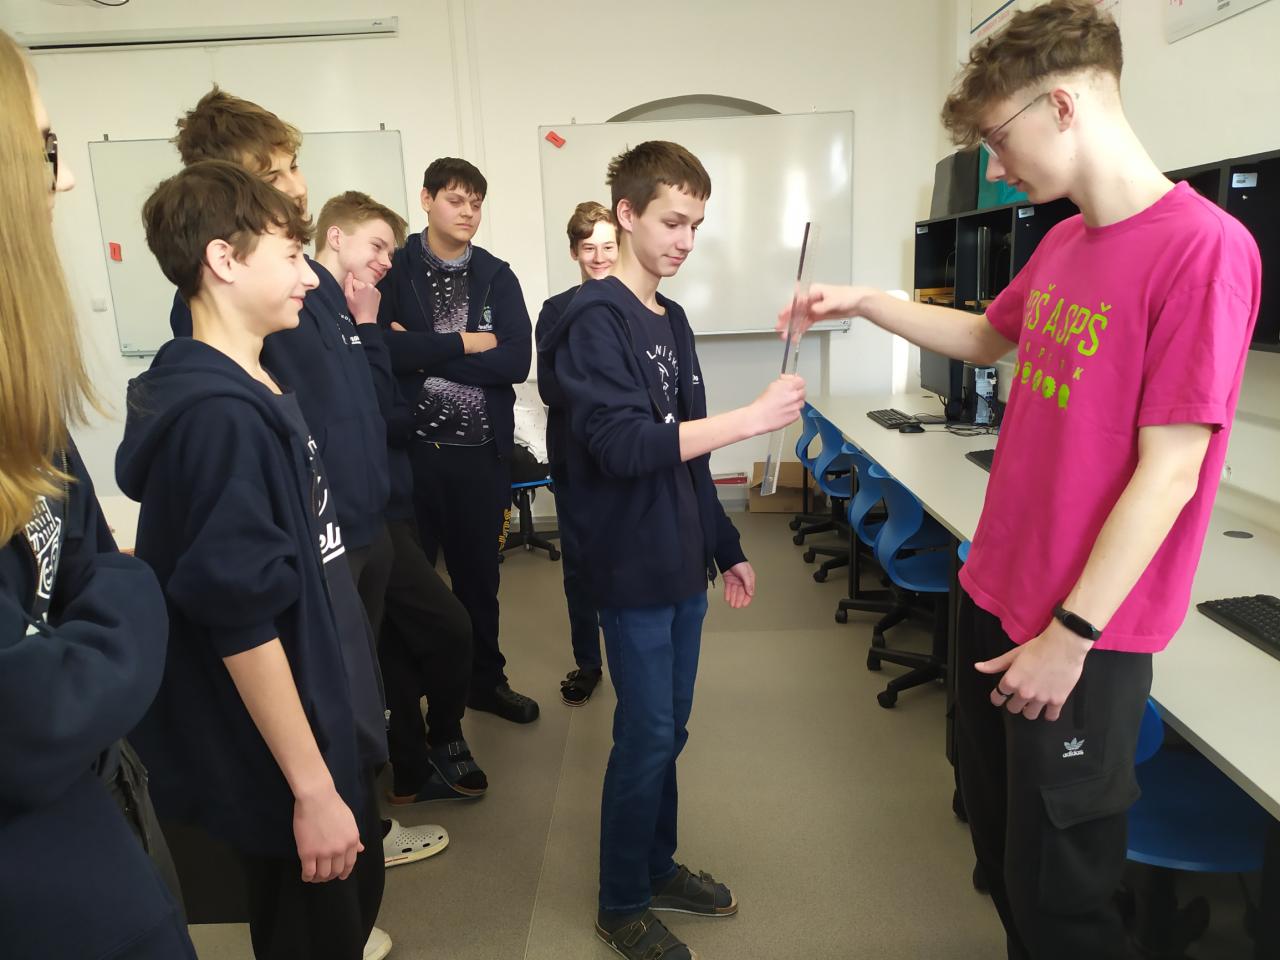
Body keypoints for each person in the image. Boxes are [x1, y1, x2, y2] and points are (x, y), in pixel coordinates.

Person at [778, 3, 1261, 956]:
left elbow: (1171, 472)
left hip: (1074, 635)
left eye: (999, 138)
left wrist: (1071, 636)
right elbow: (985, 337)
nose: (996, 169)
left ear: (1065, 105)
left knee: (1063, 902)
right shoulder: (1064, 243)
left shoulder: (1203, 249)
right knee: (998, 855)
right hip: (990, 592)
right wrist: (866, 301)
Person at [538, 141, 807, 960]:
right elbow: (624, 446)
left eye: (696, 224)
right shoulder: (593, 320)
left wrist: (726, 544)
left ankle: (654, 867)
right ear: (626, 215)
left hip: (682, 559)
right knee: (646, 734)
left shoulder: (674, 319)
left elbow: (687, 451)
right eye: (672, 221)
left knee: (670, 730)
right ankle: (621, 901)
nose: (686, 239)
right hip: (628, 566)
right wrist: (751, 419)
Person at [118, 160, 391, 960]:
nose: (309, 276)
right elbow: (242, 620)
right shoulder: (220, 420)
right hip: (289, 765)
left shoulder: (257, 383)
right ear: (223, 260)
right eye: (291, 255)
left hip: (328, 728)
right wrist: (312, 789)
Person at [0, 29, 196, 960]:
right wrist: (125, 597)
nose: (67, 176)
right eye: (43, 147)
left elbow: (84, 552)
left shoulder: (21, 400)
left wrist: (103, 603)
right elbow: (30, 713)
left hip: (90, 824)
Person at [314, 192, 486, 807]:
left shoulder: (347, 307)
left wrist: (385, 343)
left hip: (385, 500)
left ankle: (428, 750)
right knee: (423, 634)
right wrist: (373, 333)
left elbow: (384, 404)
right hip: (358, 513)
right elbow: (380, 409)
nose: (388, 260)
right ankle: (414, 760)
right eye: (377, 245)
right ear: (336, 237)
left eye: (390, 249)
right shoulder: (320, 311)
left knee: (414, 636)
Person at [378, 157, 538, 724]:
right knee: (409, 588)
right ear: (426, 200)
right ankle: (409, 706)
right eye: (455, 200)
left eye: (475, 202)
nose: (468, 211)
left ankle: (484, 683)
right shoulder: (394, 270)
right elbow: (381, 348)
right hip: (414, 456)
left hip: (480, 458)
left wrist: (425, 351)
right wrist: (469, 343)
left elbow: (515, 362)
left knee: (480, 582)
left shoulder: (496, 275)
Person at [536, 201, 618, 706]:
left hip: (627, 459)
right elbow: (552, 388)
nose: (600, 256)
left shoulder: (639, 306)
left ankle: (632, 655)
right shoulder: (555, 311)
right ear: (574, 252)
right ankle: (588, 662)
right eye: (589, 248)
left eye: (608, 246)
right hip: (575, 459)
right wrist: (610, 392)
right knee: (580, 567)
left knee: (627, 560)